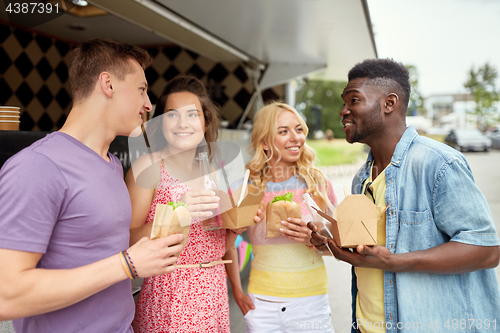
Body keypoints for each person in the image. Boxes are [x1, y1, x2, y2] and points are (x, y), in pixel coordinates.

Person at [0, 39, 185, 333]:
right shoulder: (38, 166)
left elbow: (101, 246)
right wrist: (127, 265)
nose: (148, 104)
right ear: (108, 84)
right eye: (141, 89)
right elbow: (6, 296)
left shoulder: (111, 165)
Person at [309, 58, 500, 333]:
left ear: (389, 103)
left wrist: (395, 262)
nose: (343, 111)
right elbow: (373, 248)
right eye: (344, 102)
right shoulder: (361, 179)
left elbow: (486, 251)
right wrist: (330, 240)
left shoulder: (438, 164)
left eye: (353, 100)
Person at [126, 75, 242, 332]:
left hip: (214, 293)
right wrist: (178, 212)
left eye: (192, 114)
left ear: (205, 120)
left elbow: (222, 244)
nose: (182, 123)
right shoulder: (149, 167)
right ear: (159, 122)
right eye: (171, 114)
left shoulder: (214, 170)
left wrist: (236, 225)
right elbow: (127, 239)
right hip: (171, 295)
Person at [228, 102, 338, 333]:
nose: (295, 137)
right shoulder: (244, 188)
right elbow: (225, 244)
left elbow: (340, 244)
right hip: (262, 304)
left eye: (299, 129)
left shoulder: (317, 184)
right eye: (283, 131)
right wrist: (237, 292)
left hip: (311, 302)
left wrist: (314, 237)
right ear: (265, 142)